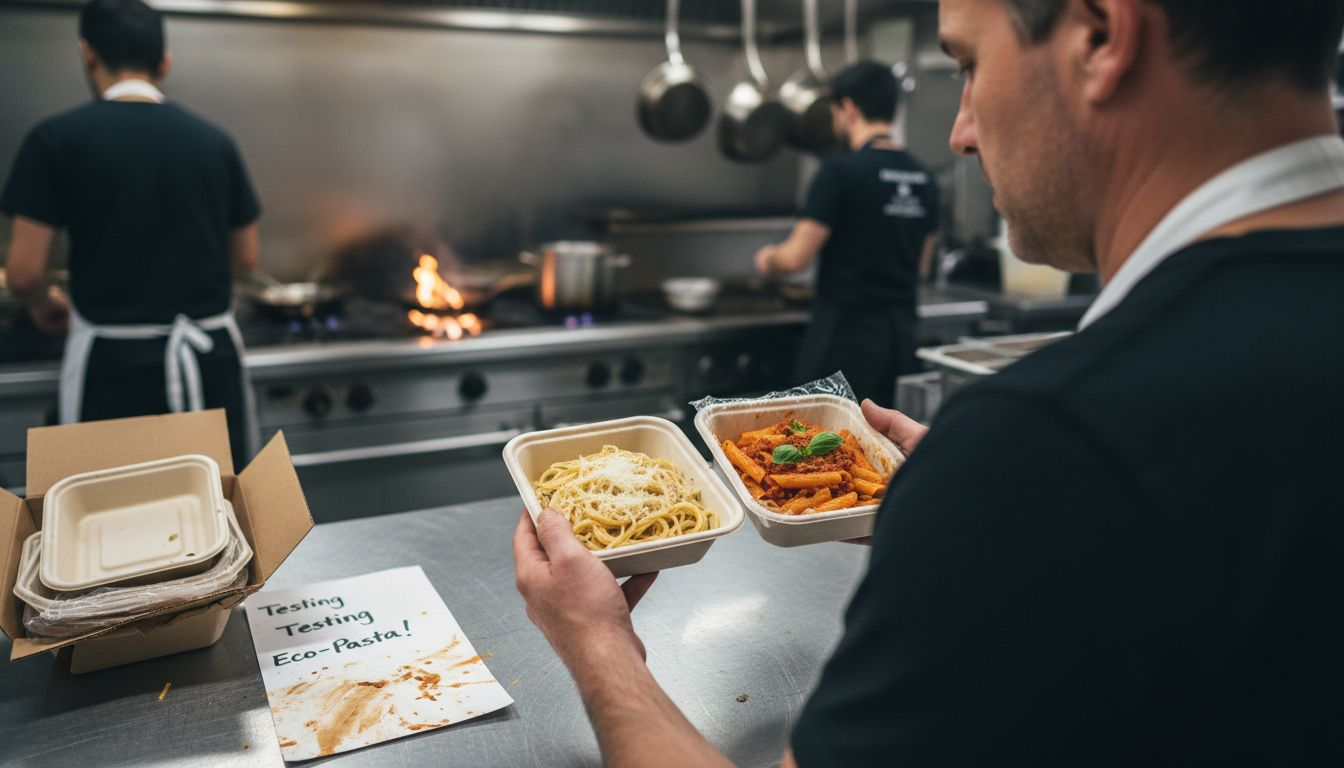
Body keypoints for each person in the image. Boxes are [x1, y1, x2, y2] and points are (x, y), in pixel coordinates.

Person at [514, 0, 1344, 765]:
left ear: (1098, 35)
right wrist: (993, 524)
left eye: (969, 66)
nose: (960, 134)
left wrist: (598, 643)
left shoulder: (1052, 440)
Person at [1, 0, 261, 469]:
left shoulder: (56, 139)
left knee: (116, 524)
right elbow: (246, 259)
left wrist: (46, 302)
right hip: (209, 364)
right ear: (164, 63)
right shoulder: (214, 141)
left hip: (113, 372)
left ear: (87, 53)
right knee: (219, 517)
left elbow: (21, 273)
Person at [754, 60, 940, 408]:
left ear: (849, 108)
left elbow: (795, 258)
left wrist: (768, 259)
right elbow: (921, 266)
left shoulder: (840, 172)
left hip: (845, 341)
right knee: (884, 446)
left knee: (822, 446)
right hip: (900, 341)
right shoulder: (924, 177)